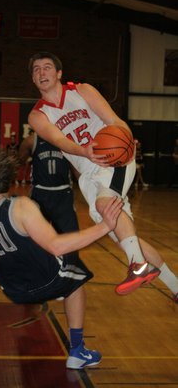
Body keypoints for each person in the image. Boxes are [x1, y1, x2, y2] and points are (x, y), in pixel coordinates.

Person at [0, 145, 123, 369]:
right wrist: (104, 227)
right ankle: (77, 351)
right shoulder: (21, 206)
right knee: (76, 278)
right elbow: (56, 246)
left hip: (15, 292)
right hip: (50, 280)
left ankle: (47, 296)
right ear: (8, 175)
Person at [27, 52, 178, 302]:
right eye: (36, 70)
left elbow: (114, 121)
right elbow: (60, 140)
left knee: (105, 207)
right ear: (33, 78)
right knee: (126, 238)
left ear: (59, 73)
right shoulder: (37, 115)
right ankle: (174, 284)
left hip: (114, 159)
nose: (41, 72)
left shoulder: (82, 90)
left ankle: (138, 266)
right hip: (89, 175)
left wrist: (126, 141)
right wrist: (84, 151)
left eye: (47, 67)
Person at [19, 131, 78, 237]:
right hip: (40, 194)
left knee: (70, 238)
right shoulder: (32, 141)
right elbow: (18, 162)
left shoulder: (68, 139)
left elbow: (76, 167)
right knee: (36, 239)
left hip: (63, 194)